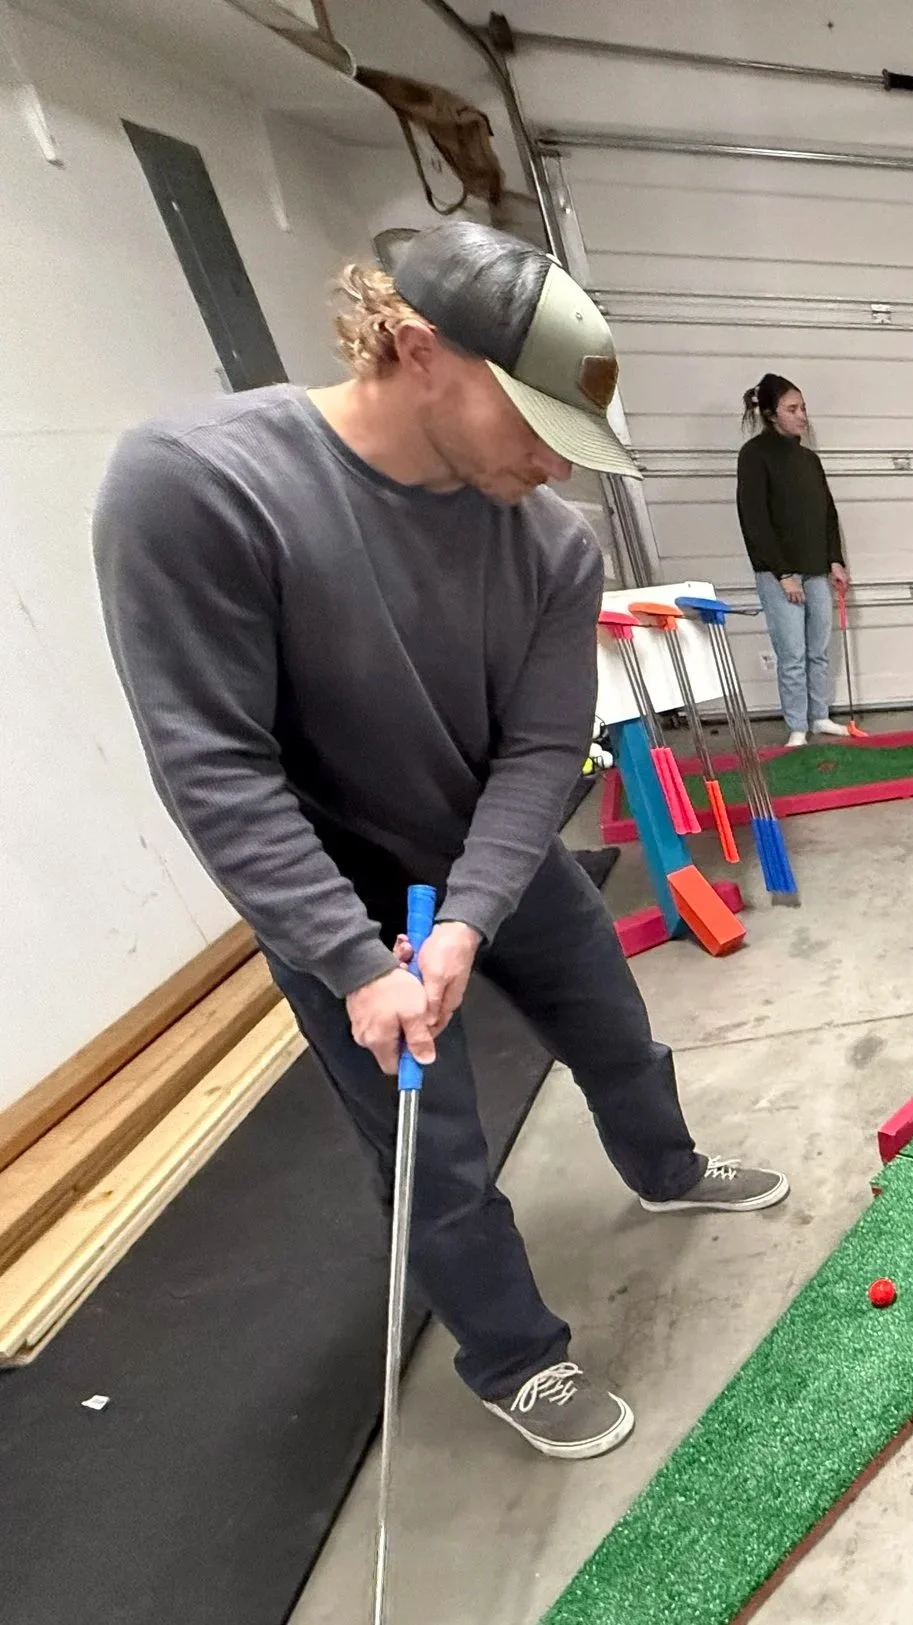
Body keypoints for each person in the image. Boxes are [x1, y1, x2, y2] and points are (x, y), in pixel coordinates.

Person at [91, 221, 789, 1462]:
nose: (556, 473)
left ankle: (666, 1162)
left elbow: (537, 753)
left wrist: (469, 913)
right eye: (531, 429)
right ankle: (513, 1354)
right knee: (435, 1146)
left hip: (494, 848)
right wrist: (359, 963)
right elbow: (214, 763)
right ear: (419, 351)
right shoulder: (197, 484)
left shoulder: (550, 547)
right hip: (340, 888)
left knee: (618, 1033)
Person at [736, 372, 853, 746]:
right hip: (779, 573)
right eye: (793, 408)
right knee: (792, 654)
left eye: (803, 407)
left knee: (818, 650)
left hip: (816, 568)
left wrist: (834, 560)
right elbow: (753, 519)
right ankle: (797, 726)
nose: (802, 415)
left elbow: (826, 512)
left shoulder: (808, 460)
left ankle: (819, 716)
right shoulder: (754, 456)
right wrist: (782, 572)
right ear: (771, 414)